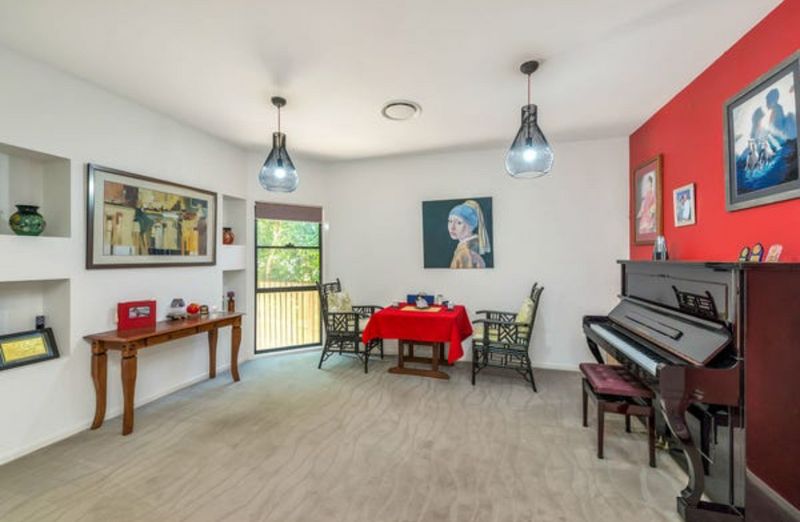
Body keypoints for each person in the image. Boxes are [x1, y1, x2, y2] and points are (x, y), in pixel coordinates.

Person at [447, 200, 491, 269]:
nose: (452, 227)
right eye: (450, 221)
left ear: (471, 226)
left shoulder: (464, 253)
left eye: (459, 223)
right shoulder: (470, 247)